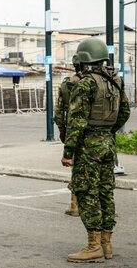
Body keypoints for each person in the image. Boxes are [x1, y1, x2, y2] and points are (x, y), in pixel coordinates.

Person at [61, 38, 130, 263]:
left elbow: (76, 121)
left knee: (87, 193)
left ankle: (93, 247)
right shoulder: (115, 81)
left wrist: (68, 152)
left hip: (88, 146)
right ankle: (106, 244)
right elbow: (125, 113)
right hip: (108, 143)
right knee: (105, 192)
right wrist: (107, 132)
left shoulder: (86, 83)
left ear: (83, 60)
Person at [54, 54, 82, 217]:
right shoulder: (98, 82)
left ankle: (74, 205)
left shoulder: (66, 85)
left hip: (73, 132)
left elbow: (59, 114)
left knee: (77, 169)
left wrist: (64, 135)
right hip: (97, 135)